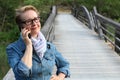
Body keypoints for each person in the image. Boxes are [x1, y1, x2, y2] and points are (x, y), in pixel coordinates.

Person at [6, 5, 70, 80]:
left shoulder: (49, 47)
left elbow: (64, 65)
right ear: (21, 26)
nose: (34, 23)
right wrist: (29, 46)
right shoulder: (13, 49)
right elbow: (23, 72)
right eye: (29, 21)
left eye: (36, 19)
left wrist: (59, 77)